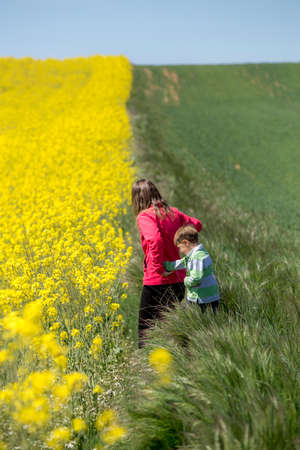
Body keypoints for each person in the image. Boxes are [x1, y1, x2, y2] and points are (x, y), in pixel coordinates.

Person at [132, 178, 202, 348]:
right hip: (178, 280)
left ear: (137, 199)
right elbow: (197, 225)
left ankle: (147, 366)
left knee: (146, 327)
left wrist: (157, 268)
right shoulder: (174, 213)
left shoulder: (145, 216)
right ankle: (174, 358)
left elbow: (155, 240)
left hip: (158, 281)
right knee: (167, 325)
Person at [163, 224, 220, 312]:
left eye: (180, 247)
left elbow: (195, 279)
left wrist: (185, 280)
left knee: (200, 318)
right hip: (204, 296)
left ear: (186, 243)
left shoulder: (197, 257)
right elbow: (181, 263)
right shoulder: (198, 253)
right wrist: (165, 266)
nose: (180, 251)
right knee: (183, 312)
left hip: (204, 299)